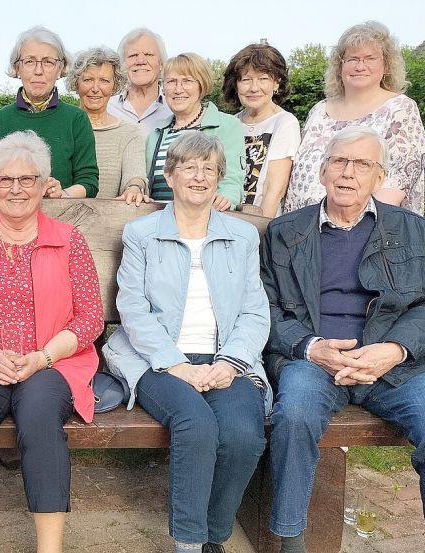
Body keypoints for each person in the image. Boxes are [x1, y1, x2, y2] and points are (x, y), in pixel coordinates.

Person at [260, 126, 425, 553]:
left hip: (394, 365)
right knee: (294, 416)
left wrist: (393, 350)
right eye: (339, 161)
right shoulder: (285, 231)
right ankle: (290, 540)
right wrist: (310, 347)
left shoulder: (410, 229)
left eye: (362, 164)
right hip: (315, 360)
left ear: (378, 177)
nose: (348, 173)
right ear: (321, 171)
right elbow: (265, 307)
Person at [0, 130, 103, 552]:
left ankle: (50, 548)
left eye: (26, 180)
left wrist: (42, 357)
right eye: (5, 180)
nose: (16, 189)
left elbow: (90, 318)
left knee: (40, 420)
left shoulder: (68, 240)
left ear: (44, 185)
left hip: (51, 361)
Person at [103, 132, 270, 553]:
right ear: (170, 176)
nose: (200, 176)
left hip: (225, 358)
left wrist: (230, 363)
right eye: (189, 168)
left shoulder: (242, 236)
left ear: (219, 179)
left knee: (243, 434)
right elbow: (133, 309)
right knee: (196, 425)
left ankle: (214, 535)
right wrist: (176, 365)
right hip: (158, 359)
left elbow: (254, 310)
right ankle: (190, 544)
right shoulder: (141, 233)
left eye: (209, 169)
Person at [284, 21, 425, 215]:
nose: (360, 66)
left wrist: (343, 227)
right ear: (340, 66)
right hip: (303, 231)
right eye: (352, 59)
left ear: (386, 65)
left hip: (364, 235)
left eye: (370, 58)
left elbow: (397, 183)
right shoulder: (319, 110)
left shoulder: (401, 109)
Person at [0, 26, 99, 200]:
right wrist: (11, 196)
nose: (38, 71)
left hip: (63, 218)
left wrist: (62, 194)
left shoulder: (76, 119)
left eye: (48, 62)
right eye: (30, 61)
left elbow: (89, 181)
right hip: (9, 219)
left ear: (60, 68)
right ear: (17, 68)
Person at [147, 53, 245, 209]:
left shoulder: (228, 125)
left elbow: (232, 180)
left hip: (206, 219)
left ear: (202, 85)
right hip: (159, 220)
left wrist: (226, 199)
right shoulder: (156, 133)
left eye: (187, 81)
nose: (178, 89)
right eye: (171, 81)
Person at [221, 44, 300, 217]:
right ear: (236, 84)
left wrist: (260, 230)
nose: (254, 88)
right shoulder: (230, 123)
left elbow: (275, 190)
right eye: (246, 79)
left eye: (263, 79)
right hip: (225, 220)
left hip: (260, 223)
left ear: (276, 83)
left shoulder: (285, 122)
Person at [65, 46, 148, 204]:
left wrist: (134, 187)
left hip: (111, 223)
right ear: (76, 83)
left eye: (104, 81)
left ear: (114, 85)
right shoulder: (62, 126)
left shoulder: (129, 133)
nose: (95, 89)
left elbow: (135, 176)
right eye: (88, 80)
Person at [107, 28, 173, 137]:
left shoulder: (174, 109)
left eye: (148, 54)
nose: (141, 61)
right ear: (123, 64)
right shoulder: (107, 107)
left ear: (161, 63)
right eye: (133, 55)